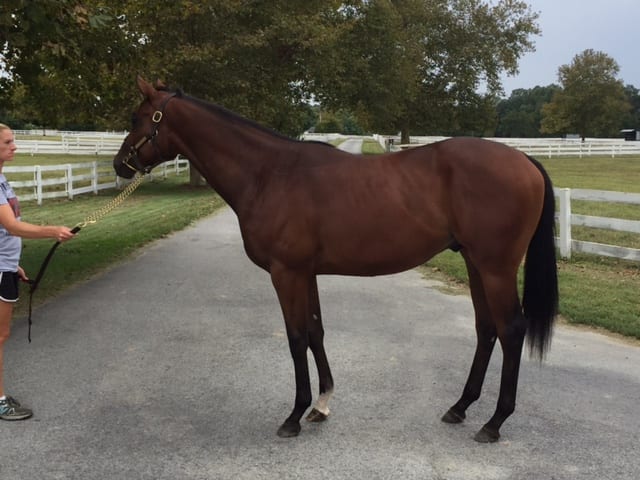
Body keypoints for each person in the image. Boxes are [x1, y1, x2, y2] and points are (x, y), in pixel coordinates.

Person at [0, 123, 76, 420]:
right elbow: (12, 225)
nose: (14, 146)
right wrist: (52, 231)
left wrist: (11, 262)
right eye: (8, 142)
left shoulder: (2, 179)